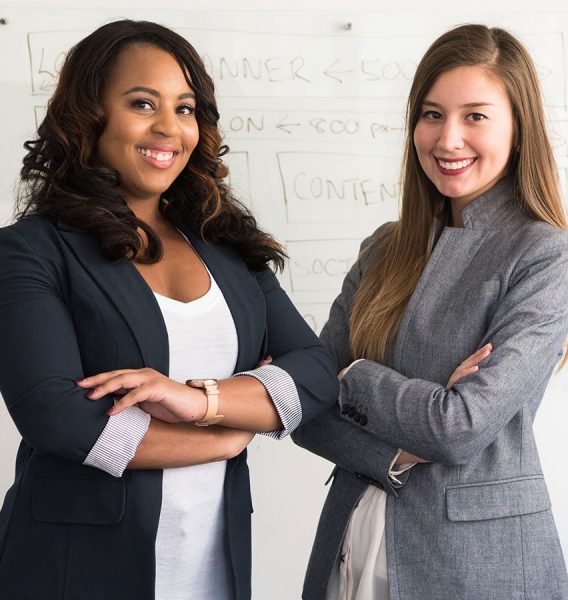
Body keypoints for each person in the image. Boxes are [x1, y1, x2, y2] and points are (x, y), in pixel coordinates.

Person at [0, 19, 338, 600]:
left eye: (185, 108)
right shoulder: (31, 250)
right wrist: (226, 436)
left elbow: (314, 371)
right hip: (73, 571)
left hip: (211, 570)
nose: (168, 128)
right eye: (142, 103)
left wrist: (200, 401)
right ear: (90, 114)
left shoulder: (229, 248)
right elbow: (57, 416)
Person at [293, 23, 568, 600]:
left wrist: (352, 377)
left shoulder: (546, 254)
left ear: (518, 129)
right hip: (350, 541)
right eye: (431, 114)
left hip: (476, 564)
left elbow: (458, 427)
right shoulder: (383, 247)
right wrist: (392, 449)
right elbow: (305, 406)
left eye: (475, 116)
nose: (447, 139)